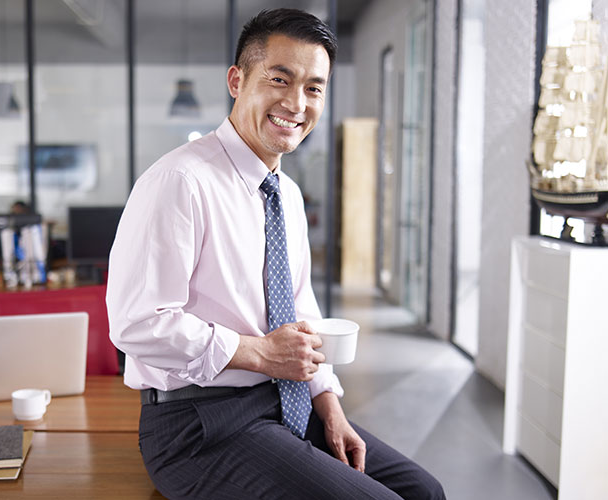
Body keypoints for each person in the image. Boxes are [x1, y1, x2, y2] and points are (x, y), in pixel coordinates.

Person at [107, 8, 445, 500]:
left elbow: (301, 311)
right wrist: (258, 352)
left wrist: (328, 402)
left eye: (314, 88)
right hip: (196, 426)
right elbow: (136, 322)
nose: (296, 102)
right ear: (237, 80)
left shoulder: (284, 193)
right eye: (279, 79)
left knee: (423, 490)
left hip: (284, 403)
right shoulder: (179, 181)